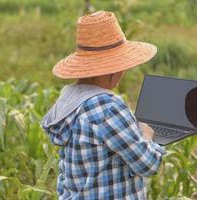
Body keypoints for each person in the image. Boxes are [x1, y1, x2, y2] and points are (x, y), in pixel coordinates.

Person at [40, 10, 165, 200]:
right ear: (112, 70)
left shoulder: (69, 100)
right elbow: (148, 164)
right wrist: (147, 134)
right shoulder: (107, 108)